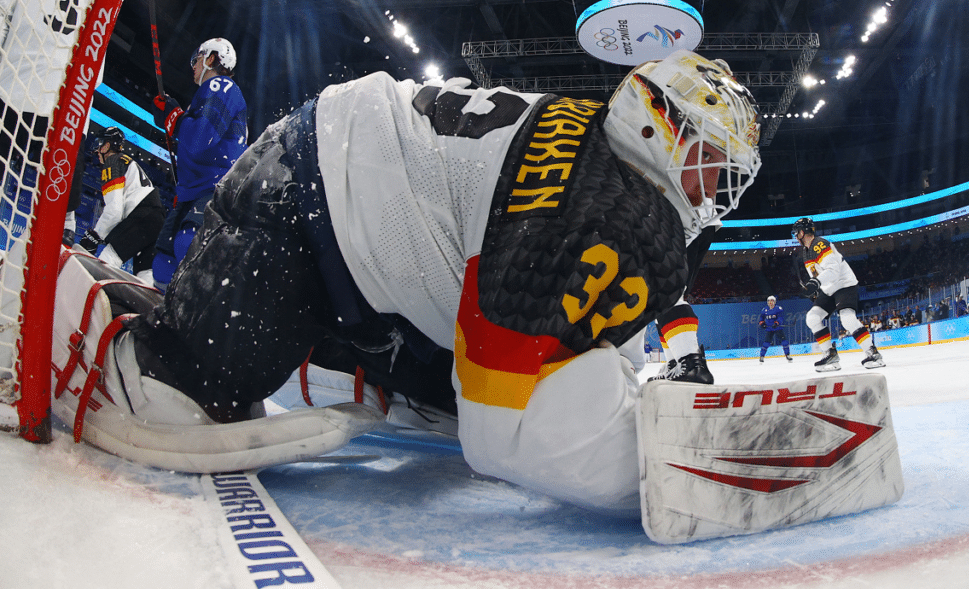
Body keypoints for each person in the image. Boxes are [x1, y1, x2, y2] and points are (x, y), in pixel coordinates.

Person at [54, 48, 763, 514]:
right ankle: (70, 303)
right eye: (711, 159)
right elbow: (507, 435)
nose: (717, 189)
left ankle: (346, 365)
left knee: (467, 397)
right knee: (173, 399)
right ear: (655, 127)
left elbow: (581, 342)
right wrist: (665, 465)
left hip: (358, 230)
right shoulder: (605, 206)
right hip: (300, 195)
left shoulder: (595, 167)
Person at [150, 37, 247, 289]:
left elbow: (201, 137)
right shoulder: (209, 93)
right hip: (193, 192)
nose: (194, 64)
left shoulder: (221, 85)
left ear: (212, 58)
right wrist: (173, 119)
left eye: (198, 58)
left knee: (186, 245)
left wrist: (175, 118)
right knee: (163, 265)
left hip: (214, 188)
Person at [792, 217, 884, 372]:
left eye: (796, 232)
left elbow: (833, 270)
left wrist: (816, 283)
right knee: (812, 318)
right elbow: (817, 274)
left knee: (847, 319)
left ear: (803, 232)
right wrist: (815, 289)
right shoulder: (806, 252)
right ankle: (830, 355)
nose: (795, 236)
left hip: (844, 284)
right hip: (828, 289)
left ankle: (873, 354)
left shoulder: (820, 244)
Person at [77, 127, 166, 286]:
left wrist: (95, 235)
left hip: (143, 215)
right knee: (144, 276)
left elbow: (114, 210)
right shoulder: (126, 161)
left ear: (107, 145)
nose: (97, 149)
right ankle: (144, 310)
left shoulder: (113, 161)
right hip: (157, 220)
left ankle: (94, 303)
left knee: (109, 256)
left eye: (101, 143)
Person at [757, 295, 792, 363]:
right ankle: (762, 356)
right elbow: (761, 318)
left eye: (772, 301)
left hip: (778, 328)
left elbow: (780, 318)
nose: (770, 302)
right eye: (769, 301)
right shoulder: (764, 309)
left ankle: (787, 355)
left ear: (774, 302)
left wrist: (776, 323)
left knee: (784, 342)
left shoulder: (778, 308)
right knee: (766, 343)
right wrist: (762, 323)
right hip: (769, 329)